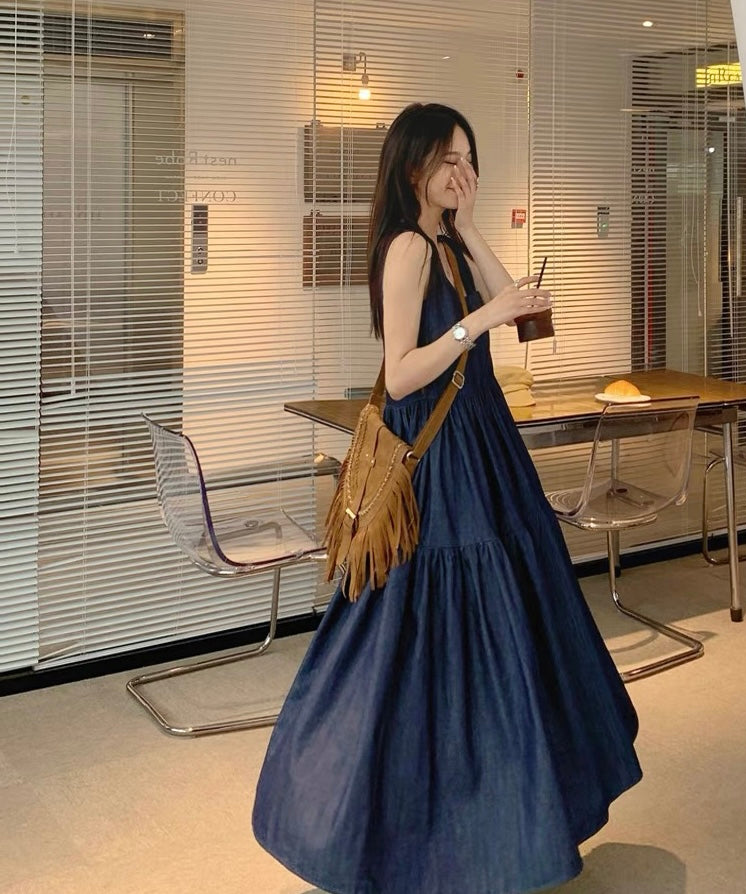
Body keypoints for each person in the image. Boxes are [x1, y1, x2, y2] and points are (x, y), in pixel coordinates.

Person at [253, 102, 642, 894]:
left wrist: (471, 234)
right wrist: (480, 321)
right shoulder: (404, 248)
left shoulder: (450, 242)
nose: (462, 171)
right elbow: (400, 375)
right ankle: (408, 825)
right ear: (413, 169)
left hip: (485, 447)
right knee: (420, 632)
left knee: (512, 623)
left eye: (469, 158)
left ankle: (509, 818)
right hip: (441, 460)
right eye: (448, 160)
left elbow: (530, 318)